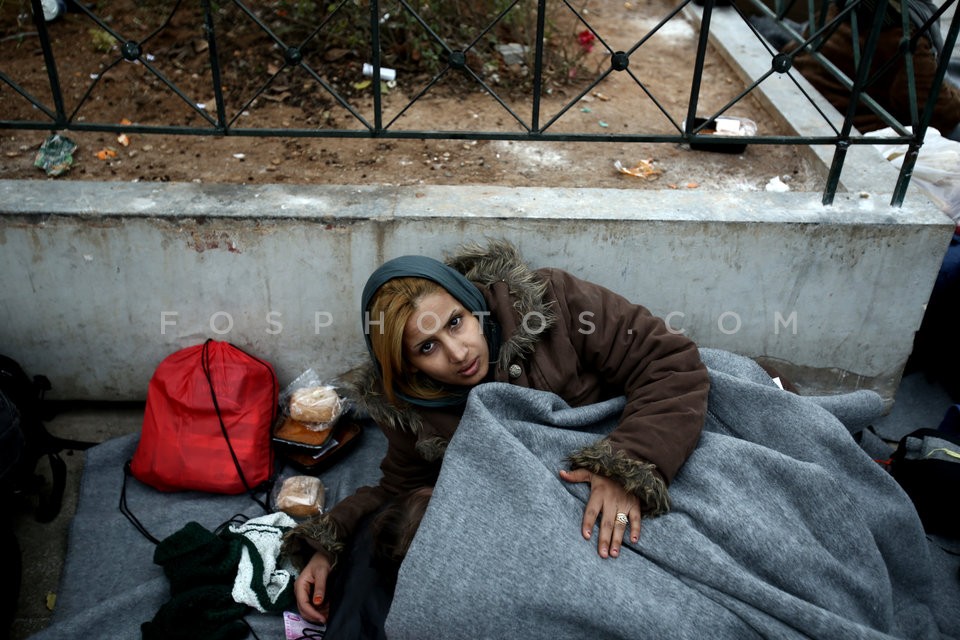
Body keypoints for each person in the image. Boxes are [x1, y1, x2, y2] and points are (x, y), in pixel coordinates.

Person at [281, 238, 711, 632]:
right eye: (427, 347)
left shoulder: (552, 302)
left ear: (474, 306)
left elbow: (668, 360)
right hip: (547, 512)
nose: (459, 353)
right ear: (407, 364)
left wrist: (627, 467)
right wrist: (329, 545)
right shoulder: (411, 408)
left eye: (456, 323)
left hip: (629, 448)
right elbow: (400, 487)